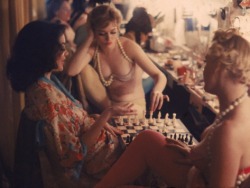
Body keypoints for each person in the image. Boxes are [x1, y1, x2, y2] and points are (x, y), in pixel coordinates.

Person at [95, 28, 250, 187]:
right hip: (197, 170)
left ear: (219, 68)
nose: (203, 68)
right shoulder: (239, 107)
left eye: (207, 61)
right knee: (147, 138)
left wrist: (201, 168)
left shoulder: (229, 131)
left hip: (195, 180)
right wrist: (196, 152)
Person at [6, 20, 137, 187]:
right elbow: (73, 154)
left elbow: (69, 122)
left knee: (150, 142)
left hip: (107, 152)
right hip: (101, 166)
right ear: (43, 51)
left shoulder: (47, 81)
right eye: (61, 47)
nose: (66, 52)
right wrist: (106, 115)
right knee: (149, 142)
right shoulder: (45, 95)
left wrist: (96, 119)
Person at [66, 4, 167, 119]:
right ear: (94, 32)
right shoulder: (94, 49)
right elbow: (71, 71)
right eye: (102, 33)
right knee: (83, 68)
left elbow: (159, 75)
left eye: (113, 32)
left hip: (133, 106)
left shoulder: (129, 47)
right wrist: (89, 38)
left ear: (118, 28)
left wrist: (157, 90)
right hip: (109, 107)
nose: (109, 39)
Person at [124, 6, 155, 94]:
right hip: (128, 90)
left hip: (124, 84)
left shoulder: (123, 38)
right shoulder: (132, 45)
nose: (145, 40)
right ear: (141, 32)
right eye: (146, 35)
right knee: (155, 78)